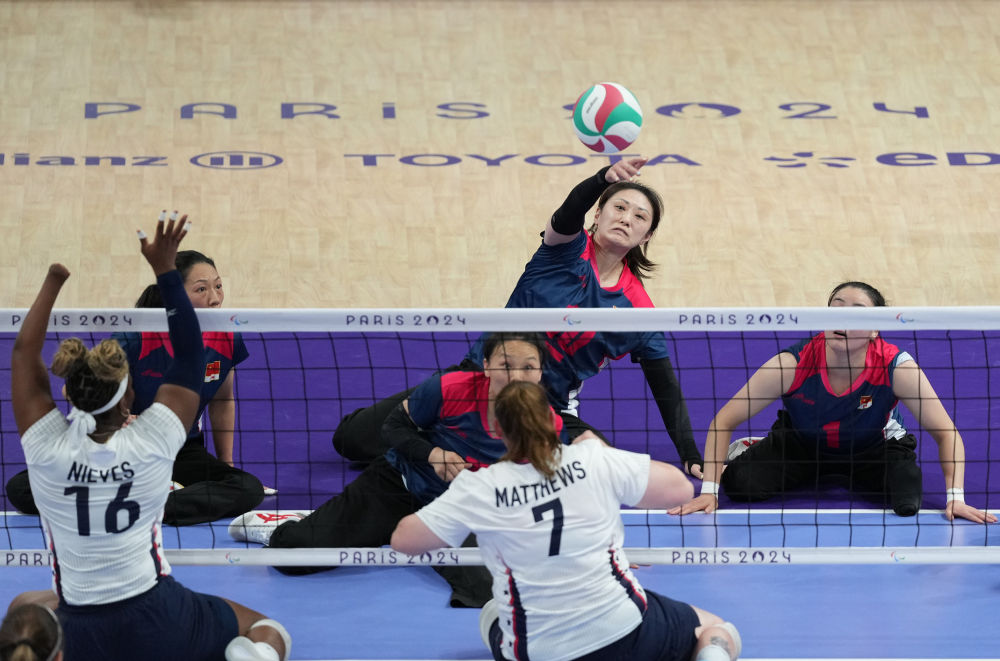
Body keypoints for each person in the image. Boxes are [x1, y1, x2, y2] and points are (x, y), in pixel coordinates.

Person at [9, 212, 291, 661]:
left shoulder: (47, 451)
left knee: (23, 609)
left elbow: (25, 354)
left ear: (73, 395)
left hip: (81, 624)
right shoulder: (153, 440)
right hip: (160, 615)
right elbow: (191, 352)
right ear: (128, 400)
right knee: (266, 628)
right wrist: (164, 268)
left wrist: (53, 281)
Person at [333, 157, 704, 478]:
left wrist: (689, 453)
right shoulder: (563, 251)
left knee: (594, 463)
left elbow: (665, 385)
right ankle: (450, 435)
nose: (626, 218)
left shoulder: (637, 309)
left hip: (544, 409)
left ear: (647, 235)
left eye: (639, 216)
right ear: (598, 214)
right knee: (351, 440)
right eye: (618, 207)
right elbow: (567, 213)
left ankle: (465, 440)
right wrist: (600, 179)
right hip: (476, 381)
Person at [391, 381, 741, 661]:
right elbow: (681, 489)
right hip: (625, 631)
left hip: (537, 650)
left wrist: (461, 504)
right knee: (717, 630)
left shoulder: (480, 487)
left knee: (491, 613)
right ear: (553, 420)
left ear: (497, 430)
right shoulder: (591, 459)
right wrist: (606, 455)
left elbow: (404, 541)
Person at [229, 332, 564, 608]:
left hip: (459, 513)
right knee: (293, 557)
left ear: (540, 373)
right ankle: (283, 527)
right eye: (506, 365)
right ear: (486, 366)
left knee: (490, 591)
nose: (516, 376)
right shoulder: (449, 388)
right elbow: (393, 427)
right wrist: (432, 454)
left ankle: (427, 541)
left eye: (528, 367)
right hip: (400, 485)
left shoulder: (545, 422)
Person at [669, 281, 997, 525]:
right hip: (802, 444)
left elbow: (946, 432)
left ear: (875, 330)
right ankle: (753, 449)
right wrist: (709, 490)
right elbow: (723, 420)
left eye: (857, 313)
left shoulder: (897, 368)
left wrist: (956, 497)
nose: (842, 319)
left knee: (908, 499)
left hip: (874, 448)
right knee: (740, 486)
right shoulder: (791, 364)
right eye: (836, 308)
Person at [5, 250, 266, 526]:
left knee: (247, 488)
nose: (215, 298)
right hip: (118, 448)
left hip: (180, 450)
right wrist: (120, 420)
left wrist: (226, 464)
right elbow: (76, 390)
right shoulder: (135, 336)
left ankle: (139, 502)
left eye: (218, 285)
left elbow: (223, 400)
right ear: (174, 295)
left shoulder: (227, 337)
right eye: (201, 289)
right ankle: (143, 497)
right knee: (21, 488)